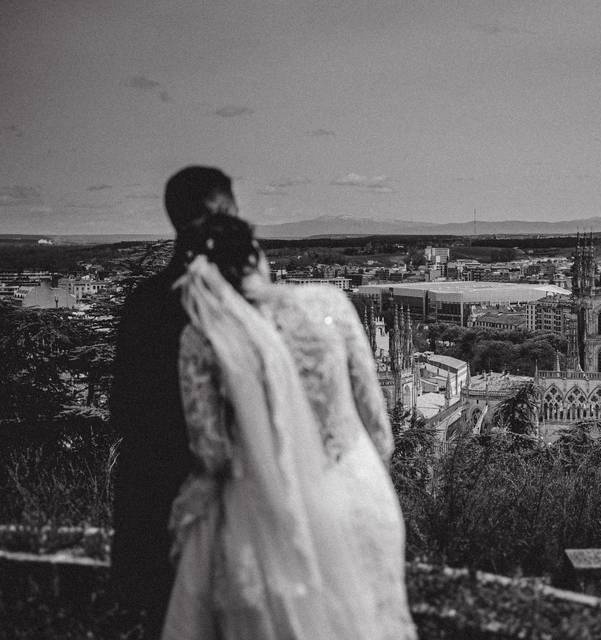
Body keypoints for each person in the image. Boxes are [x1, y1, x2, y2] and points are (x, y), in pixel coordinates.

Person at [160, 213, 416, 639]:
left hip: (264, 513)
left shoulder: (203, 336)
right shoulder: (330, 304)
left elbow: (211, 453)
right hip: (356, 494)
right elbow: (378, 426)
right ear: (258, 255)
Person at [111, 167, 239, 637]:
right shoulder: (243, 309)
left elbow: (121, 412)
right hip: (225, 510)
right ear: (223, 214)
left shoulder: (143, 303)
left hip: (149, 502)